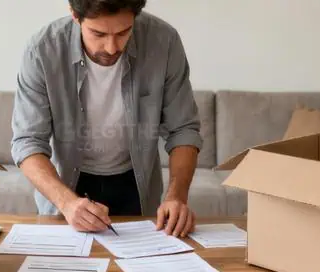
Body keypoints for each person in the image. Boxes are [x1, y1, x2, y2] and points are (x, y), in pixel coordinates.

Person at [10, 0, 202, 238]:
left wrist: (177, 197)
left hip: (136, 183)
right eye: (98, 34)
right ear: (75, 15)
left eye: (123, 32)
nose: (111, 48)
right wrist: (66, 202)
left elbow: (183, 129)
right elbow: (27, 141)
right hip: (66, 185)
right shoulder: (42, 50)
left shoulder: (164, 42)